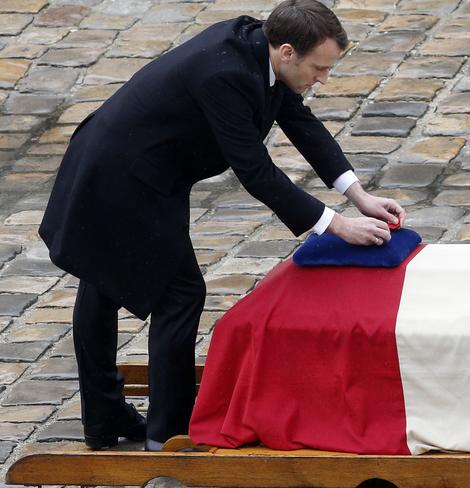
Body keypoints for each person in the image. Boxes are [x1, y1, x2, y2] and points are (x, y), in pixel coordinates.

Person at [39, 0, 405, 451]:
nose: (323, 79)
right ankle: (168, 431)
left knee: (102, 286)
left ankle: (104, 416)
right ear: (288, 51)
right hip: (120, 175)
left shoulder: (261, 51)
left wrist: (359, 196)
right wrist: (335, 226)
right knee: (175, 292)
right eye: (319, 68)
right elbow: (255, 170)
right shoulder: (225, 76)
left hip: (147, 171)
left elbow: (300, 122)